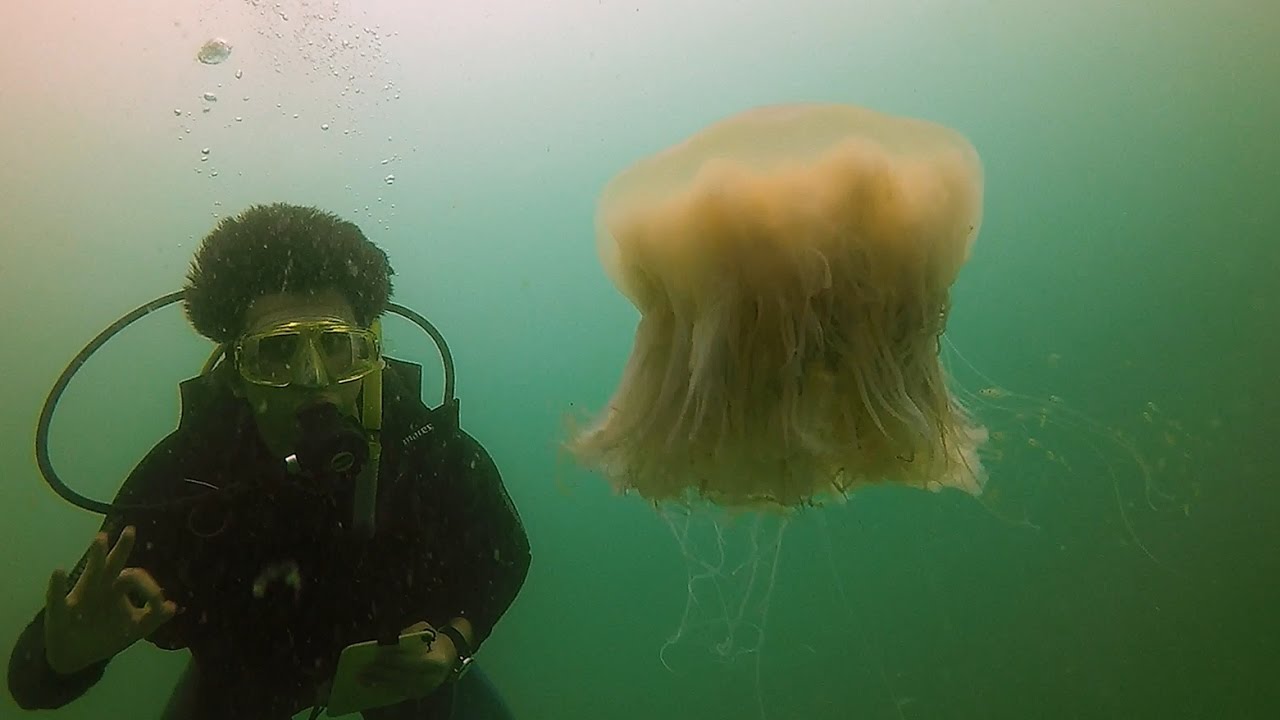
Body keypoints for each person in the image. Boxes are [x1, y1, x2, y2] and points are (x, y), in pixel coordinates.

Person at [7, 203, 532, 719]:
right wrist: (67, 658)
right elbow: (30, 682)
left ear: (369, 350)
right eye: (277, 352)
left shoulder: (420, 444)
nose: (313, 378)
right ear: (235, 372)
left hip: (404, 675)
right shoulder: (188, 475)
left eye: (336, 346)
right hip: (250, 685)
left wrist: (456, 643)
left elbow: (504, 552)